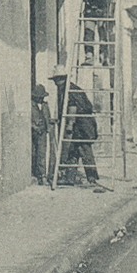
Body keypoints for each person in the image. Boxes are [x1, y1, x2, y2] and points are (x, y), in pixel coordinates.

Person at [50, 63, 110, 192]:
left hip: (81, 125)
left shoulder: (70, 90)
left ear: (63, 78)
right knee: (72, 150)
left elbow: (72, 108)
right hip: (77, 124)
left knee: (84, 150)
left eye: (58, 79)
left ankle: (92, 178)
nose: (56, 82)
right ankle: (70, 177)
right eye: (55, 80)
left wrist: (69, 125)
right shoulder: (64, 89)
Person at [30, 83, 53, 185]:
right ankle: (36, 174)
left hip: (42, 132)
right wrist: (34, 127)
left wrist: (48, 128)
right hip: (33, 133)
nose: (41, 99)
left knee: (42, 154)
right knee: (34, 153)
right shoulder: (30, 105)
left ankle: (43, 175)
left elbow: (47, 118)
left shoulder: (45, 106)